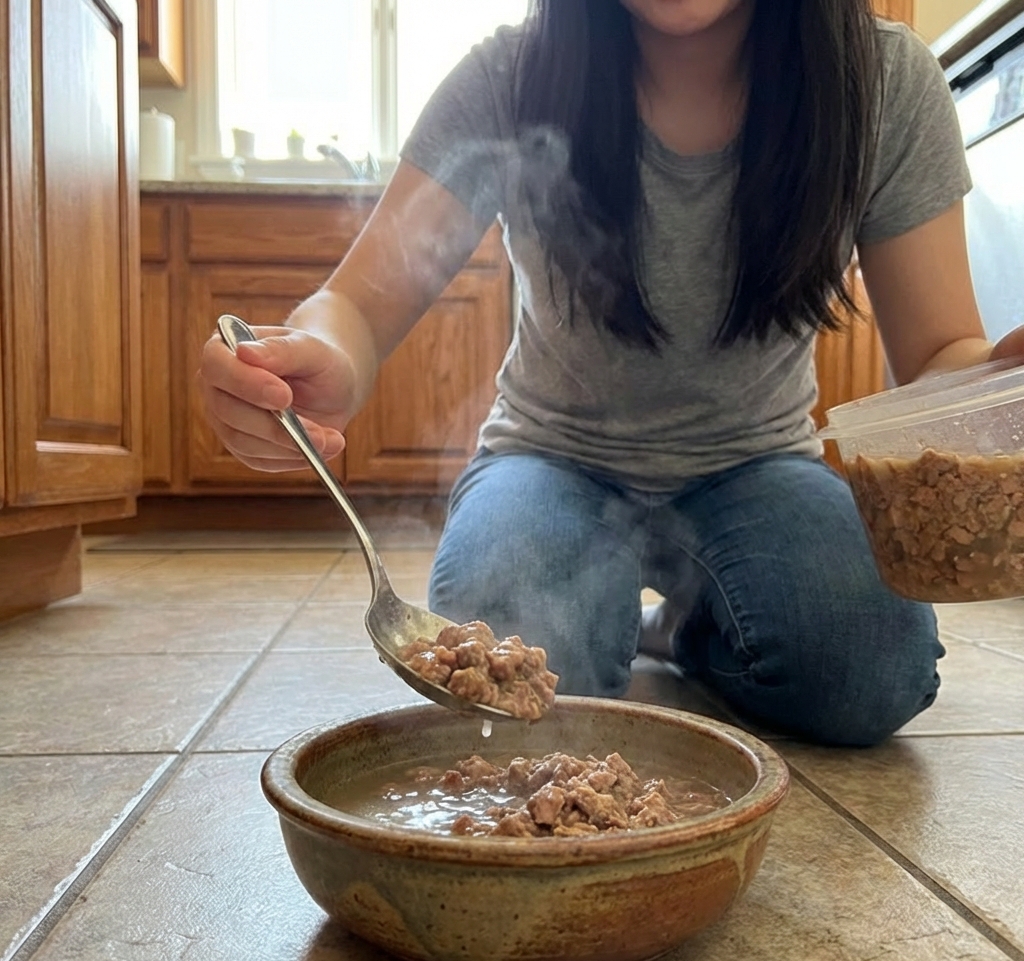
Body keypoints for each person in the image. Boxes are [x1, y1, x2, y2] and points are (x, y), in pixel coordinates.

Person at [200, 0, 1024, 746]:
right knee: (509, 665)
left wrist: (999, 385)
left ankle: (687, 631)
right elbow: (353, 306)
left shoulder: (882, 82)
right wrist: (320, 358)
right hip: (549, 458)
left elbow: (939, 355)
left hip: (761, 463)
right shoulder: (508, 75)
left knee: (869, 666)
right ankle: (657, 623)